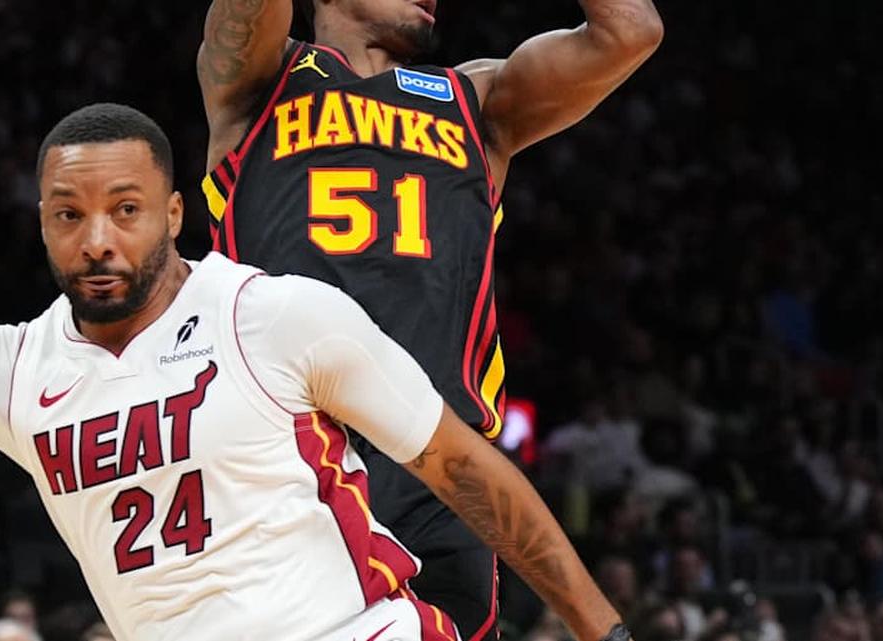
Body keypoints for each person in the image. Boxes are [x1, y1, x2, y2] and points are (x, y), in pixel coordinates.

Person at [0, 102, 628, 641]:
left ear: (173, 214)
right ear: (42, 221)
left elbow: (465, 468)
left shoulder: (270, 315)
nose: (98, 239)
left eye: (126, 208)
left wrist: (607, 630)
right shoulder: (10, 369)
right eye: (68, 214)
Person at [196, 1, 663, 637]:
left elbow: (632, 30)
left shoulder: (477, 100)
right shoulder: (260, 81)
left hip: (443, 481)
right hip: (285, 465)